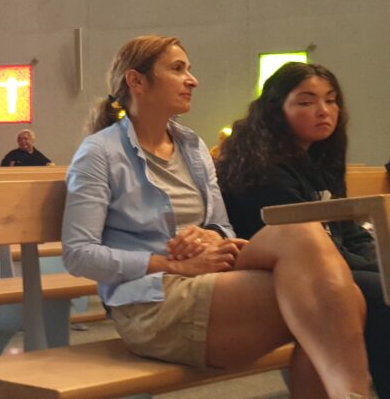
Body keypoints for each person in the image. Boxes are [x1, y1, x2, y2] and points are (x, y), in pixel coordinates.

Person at [62, 35, 371, 398]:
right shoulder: (100, 153)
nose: (192, 80)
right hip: (151, 303)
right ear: (137, 81)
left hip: (210, 276)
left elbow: (222, 224)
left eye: (189, 69)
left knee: (317, 263)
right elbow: (78, 253)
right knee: (336, 297)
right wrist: (170, 264)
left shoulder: (192, 146)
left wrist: (213, 235)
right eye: (178, 69)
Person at [217, 62, 390, 397]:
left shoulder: (316, 160)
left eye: (331, 100)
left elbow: (349, 230)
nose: (324, 111)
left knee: (383, 284)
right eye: (306, 102)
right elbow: (313, 245)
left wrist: (382, 264)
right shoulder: (263, 168)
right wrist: (380, 273)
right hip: (283, 275)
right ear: (276, 110)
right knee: (381, 296)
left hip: (327, 265)